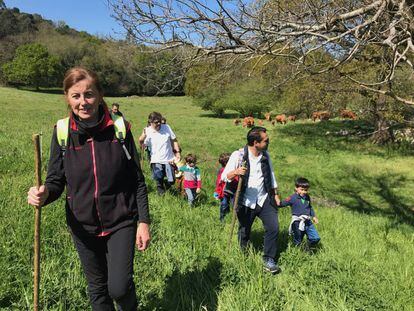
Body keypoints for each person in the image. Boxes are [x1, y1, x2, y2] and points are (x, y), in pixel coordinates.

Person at [27, 67, 150, 311]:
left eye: (89, 94)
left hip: (120, 221)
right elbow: (55, 180)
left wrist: (143, 221)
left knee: (119, 287)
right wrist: (44, 194)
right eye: (76, 96)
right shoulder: (62, 132)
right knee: (97, 289)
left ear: (100, 95)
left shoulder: (120, 128)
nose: (83, 102)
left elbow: (137, 179)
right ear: (67, 98)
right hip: (82, 225)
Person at [221, 126, 281, 274]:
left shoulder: (266, 156)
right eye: (266, 140)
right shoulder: (239, 155)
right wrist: (236, 171)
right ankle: (244, 256)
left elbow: (271, 175)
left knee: (273, 227)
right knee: (244, 231)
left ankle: (269, 259)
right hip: (245, 200)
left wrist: (275, 193)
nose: (268, 142)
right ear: (256, 142)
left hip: (264, 198)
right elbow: (224, 177)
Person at [138, 112, 181, 195]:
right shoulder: (147, 130)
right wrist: (141, 142)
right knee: (158, 177)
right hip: (156, 159)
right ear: (150, 122)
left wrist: (177, 152)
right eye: (156, 122)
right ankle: (161, 193)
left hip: (169, 159)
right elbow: (141, 142)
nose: (158, 124)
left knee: (172, 180)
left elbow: (174, 140)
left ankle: (167, 184)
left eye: (159, 121)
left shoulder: (167, 127)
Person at [279, 177, 320, 250]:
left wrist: (313, 216)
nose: (304, 192)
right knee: (298, 240)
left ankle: (306, 247)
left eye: (306, 190)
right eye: (302, 189)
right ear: (296, 188)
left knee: (315, 238)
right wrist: (275, 201)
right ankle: (297, 252)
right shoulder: (292, 198)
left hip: (307, 221)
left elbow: (309, 207)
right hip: (297, 222)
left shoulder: (307, 197)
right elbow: (282, 203)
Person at [214, 152, 236, 222]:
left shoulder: (234, 170)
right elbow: (218, 182)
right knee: (224, 204)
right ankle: (222, 218)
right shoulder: (222, 171)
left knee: (234, 205)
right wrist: (217, 191)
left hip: (233, 190)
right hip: (223, 191)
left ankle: (234, 218)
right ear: (226, 163)